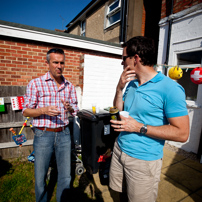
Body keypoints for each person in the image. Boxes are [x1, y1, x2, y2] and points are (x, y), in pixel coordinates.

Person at [109, 36, 189, 202]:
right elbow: (119, 110)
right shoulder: (131, 83)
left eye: (124, 58)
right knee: (120, 197)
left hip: (143, 161)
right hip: (120, 149)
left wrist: (139, 127)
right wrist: (119, 88)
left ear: (136, 58)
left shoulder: (170, 88)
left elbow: (182, 134)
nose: (122, 63)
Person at [23, 48, 79, 202]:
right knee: (40, 175)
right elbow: (26, 111)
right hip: (43, 134)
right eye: (55, 62)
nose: (59, 66)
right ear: (47, 63)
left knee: (65, 175)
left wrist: (70, 108)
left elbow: (75, 111)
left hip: (64, 133)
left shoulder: (69, 86)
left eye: (62, 63)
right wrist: (44, 110)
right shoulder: (36, 84)